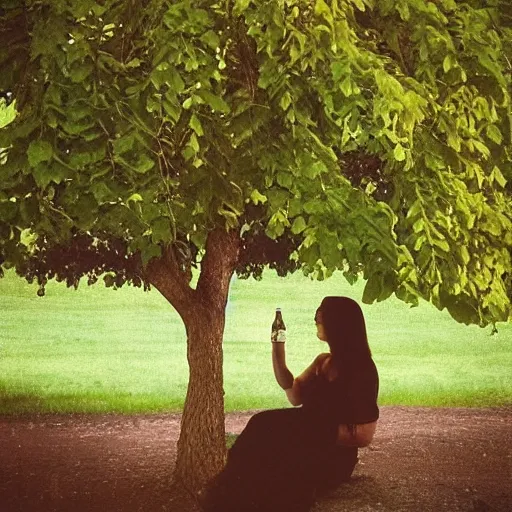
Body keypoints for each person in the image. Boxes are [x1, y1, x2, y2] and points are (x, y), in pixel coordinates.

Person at [201, 296, 379, 512]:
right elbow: (294, 394)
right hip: (304, 438)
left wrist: (310, 429)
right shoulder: (322, 361)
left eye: (322, 314)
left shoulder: (363, 370)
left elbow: (365, 435)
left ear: (340, 324)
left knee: (274, 446)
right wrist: (278, 349)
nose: (316, 318)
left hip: (332, 455)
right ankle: (228, 493)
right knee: (262, 424)